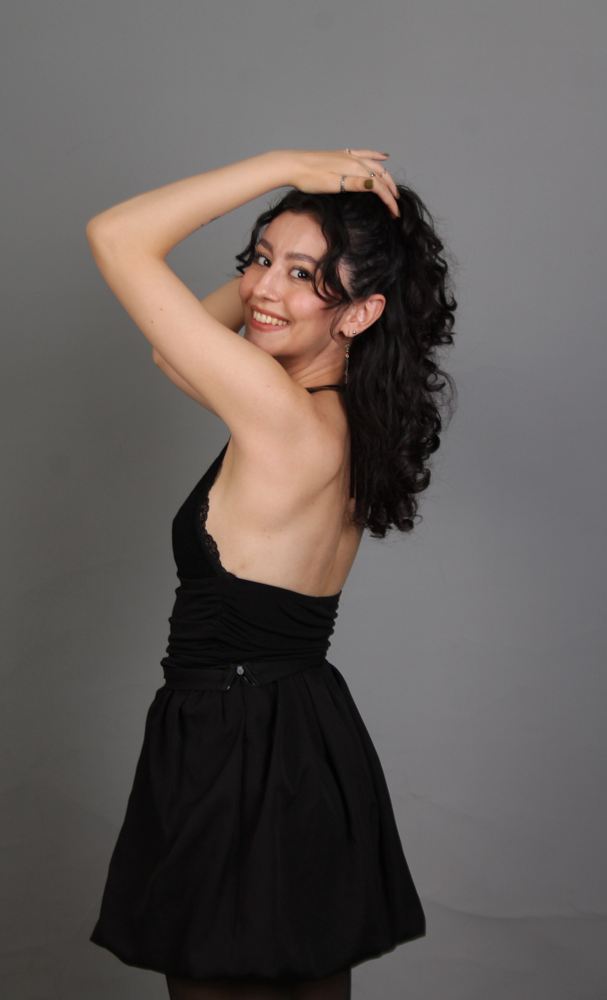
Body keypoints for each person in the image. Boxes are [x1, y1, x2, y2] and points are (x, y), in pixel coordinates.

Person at [86, 150, 456, 1000]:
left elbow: (117, 236)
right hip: (304, 731)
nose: (261, 286)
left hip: (232, 742)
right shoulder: (341, 417)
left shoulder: (279, 417)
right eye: (257, 259)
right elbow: (173, 350)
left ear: (361, 311)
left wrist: (283, 164)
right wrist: (276, 280)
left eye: (304, 275)